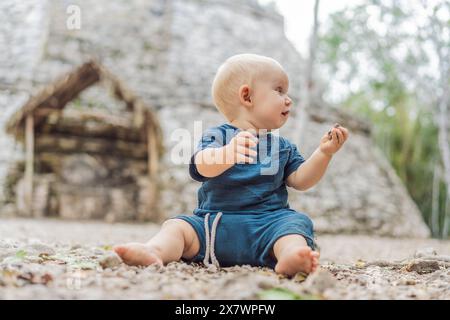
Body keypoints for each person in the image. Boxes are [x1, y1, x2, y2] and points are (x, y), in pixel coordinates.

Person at [114, 54, 349, 276]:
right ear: (247, 97)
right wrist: (227, 154)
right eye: (279, 90)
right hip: (215, 225)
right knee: (177, 227)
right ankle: (155, 250)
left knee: (297, 223)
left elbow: (301, 180)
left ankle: (290, 255)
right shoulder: (218, 137)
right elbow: (202, 166)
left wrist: (323, 153)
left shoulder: (283, 147)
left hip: (269, 225)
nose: (288, 99)